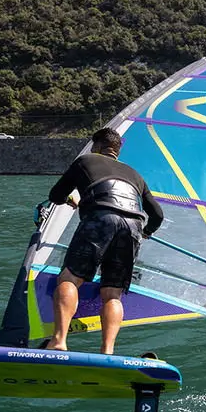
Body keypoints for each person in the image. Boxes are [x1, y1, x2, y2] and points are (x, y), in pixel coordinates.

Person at [43, 127, 164, 354]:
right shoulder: (135, 174)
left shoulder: (85, 160)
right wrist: (146, 232)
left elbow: (55, 196)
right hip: (133, 227)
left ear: (97, 146)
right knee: (112, 294)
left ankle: (58, 341)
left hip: (101, 218)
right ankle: (107, 351)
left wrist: (70, 199)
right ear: (117, 150)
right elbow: (157, 215)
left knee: (70, 279)